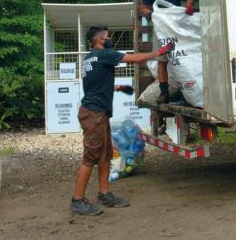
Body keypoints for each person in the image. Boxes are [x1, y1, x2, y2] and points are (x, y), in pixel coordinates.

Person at [70, 25, 174, 216]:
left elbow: (96, 83)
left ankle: (105, 194)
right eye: (108, 37)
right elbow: (134, 58)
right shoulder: (104, 54)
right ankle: (77, 201)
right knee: (90, 157)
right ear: (101, 40)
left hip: (97, 113)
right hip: (94, 114)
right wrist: (159, 52)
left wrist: (117, 88)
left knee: (105, 155)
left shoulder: (89, 58)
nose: (110, 40)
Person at [139, 0, 195, 104]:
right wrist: (149, 13)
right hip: (160, 29)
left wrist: (189, 7)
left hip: (176, 27)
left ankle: (186, 93)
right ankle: (164, 93)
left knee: (181, 59)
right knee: (161, 60)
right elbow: (144, 7)